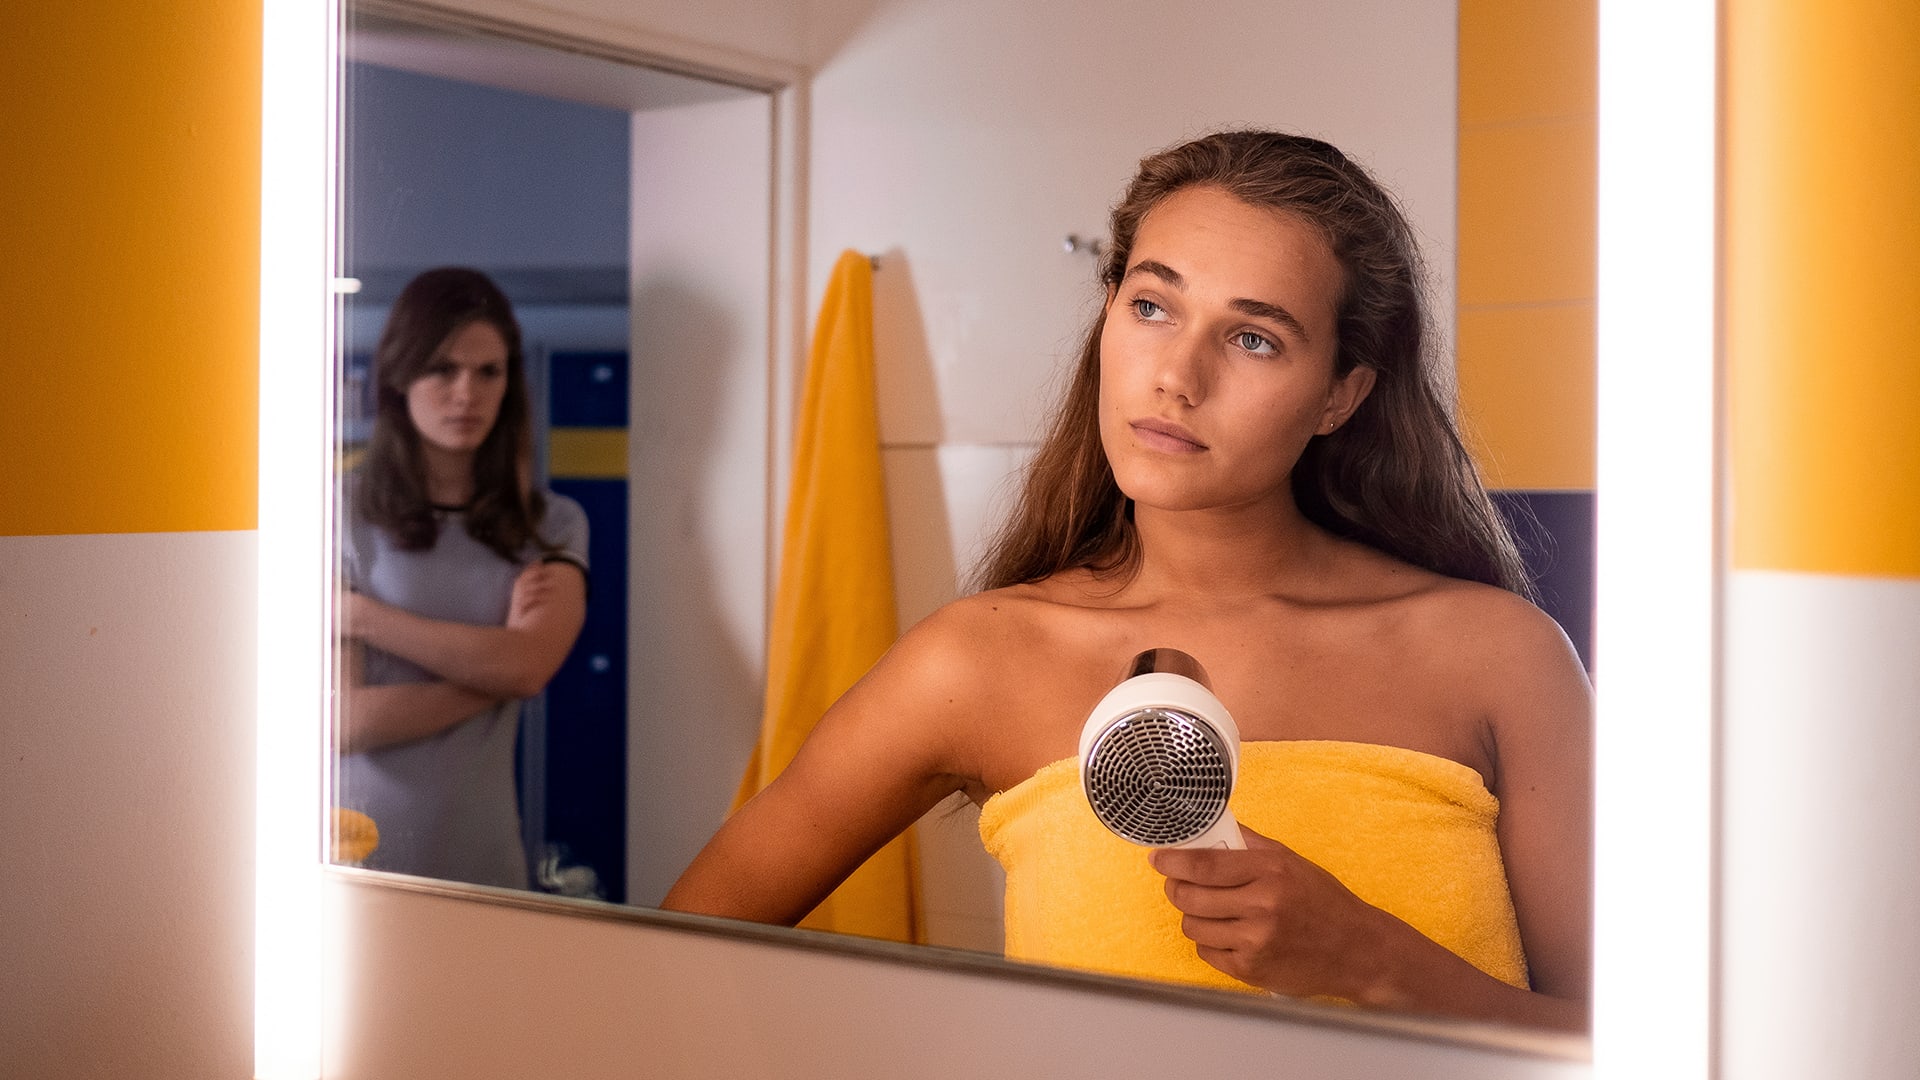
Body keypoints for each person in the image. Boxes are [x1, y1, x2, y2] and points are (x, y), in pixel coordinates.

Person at [662, 132, 1591, 1031]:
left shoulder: (1500, 658)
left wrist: (1373, 966)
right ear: (1108, 312)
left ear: (1340, 394)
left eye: (1254, 338)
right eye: (1152, 306)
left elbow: (1634, 1046)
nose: (1177, 376)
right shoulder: (978, 660)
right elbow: (665, 962)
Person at [335, 266, 589, 890]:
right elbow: (342, 723)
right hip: (356, 860)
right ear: (400, 376)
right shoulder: (337, 510)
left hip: (483, 861)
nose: (466, 393)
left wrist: (367, 618)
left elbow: (527, 668)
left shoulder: (551, 524)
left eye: (488, 372)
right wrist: (498, 671)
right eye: (442, 369)